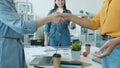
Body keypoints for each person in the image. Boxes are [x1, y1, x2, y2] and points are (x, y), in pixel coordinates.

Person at [0, 0, 63, 68]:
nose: (60, 2)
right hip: (7, 50)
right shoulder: (2, 4)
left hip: (16, 48)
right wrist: (50, 18)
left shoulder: (10, 3)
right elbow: (22, 27)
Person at [60, 0, 120, 68]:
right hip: (105, 45)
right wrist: (70, 17)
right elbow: (94, 24)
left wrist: (116, 41)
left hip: (117, 45)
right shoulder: (106, 2)